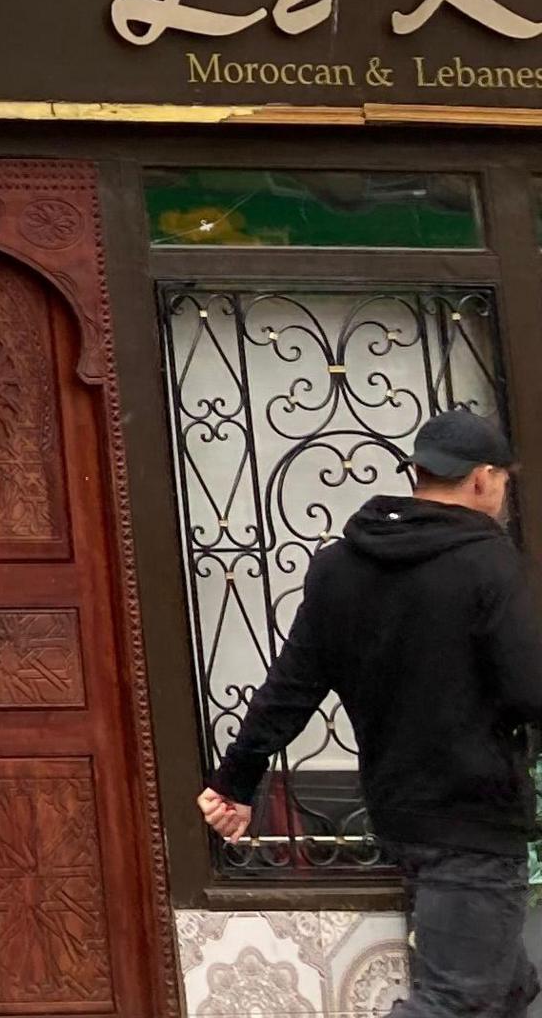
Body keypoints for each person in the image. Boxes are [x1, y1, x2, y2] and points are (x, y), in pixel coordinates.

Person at [204, 408, 542, 1018]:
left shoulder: (339, 568)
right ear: (482, 479)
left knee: (508, 987)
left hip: (399, 814)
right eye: (503, 481)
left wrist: (235, 781)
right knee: (458, 1001)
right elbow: (529, 690)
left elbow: (291, 687)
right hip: (473, 817)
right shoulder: (487, 562)